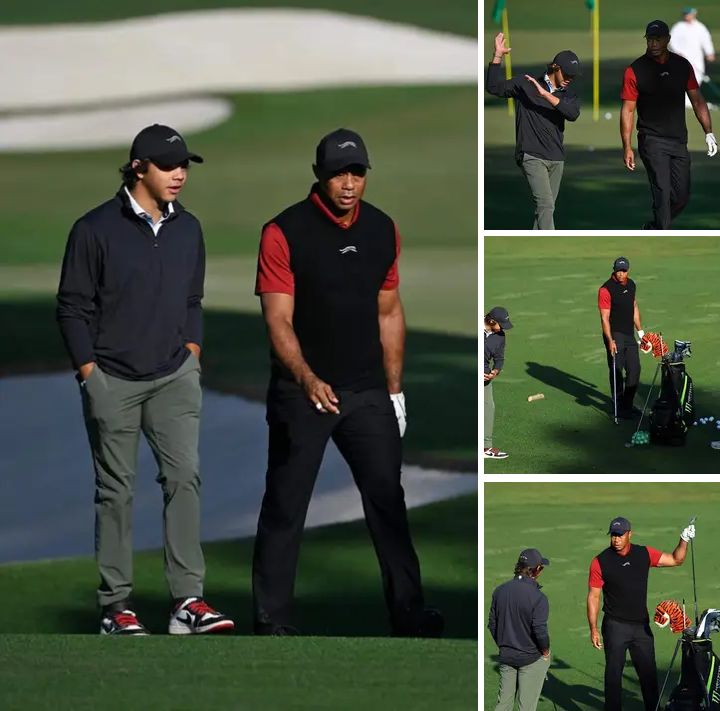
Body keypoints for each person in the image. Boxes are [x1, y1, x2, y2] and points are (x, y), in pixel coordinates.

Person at [251, 127, 443, 637]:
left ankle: (408, 614)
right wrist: (307, 378)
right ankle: (272, 619)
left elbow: (389, 311)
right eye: (339, 173)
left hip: (366, 392)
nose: (350, 183)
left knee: (388, 501)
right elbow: (278, 321)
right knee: (286, 504)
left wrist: (395, 391)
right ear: (319, 175)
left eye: (357, 172)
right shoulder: (283, 232)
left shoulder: (383, 229)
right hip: (302, 394)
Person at [56, 124, 234, 636]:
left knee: (184, 479)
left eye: (184, 166)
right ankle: (116, 607)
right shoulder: (94, 229)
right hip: (112, 377)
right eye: (167, 166)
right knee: (116, 491)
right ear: (138, 168)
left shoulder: (188, 228)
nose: (179, 175)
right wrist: (90, 375)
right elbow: (71, 308)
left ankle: (187, 601)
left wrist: (193, 354)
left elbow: (192, 301)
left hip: (175, 375)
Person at [587, 516, 695, 710]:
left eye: (620, 535)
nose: (616, 539)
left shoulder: (643, 553)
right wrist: (593, 628)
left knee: (649, 678)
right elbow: (594, 597)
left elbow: (675, 559)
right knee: (613, 679)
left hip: (641, 629)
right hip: (615, 627)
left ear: (630, 534)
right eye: (613, 535)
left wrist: (684, 539)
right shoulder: (600, 562)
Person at [621, 19, 717, 230]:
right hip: (651, 139)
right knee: (662, 192)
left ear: (667, 39)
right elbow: (627, 110)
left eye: (657, 39)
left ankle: (654, 228)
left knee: (681, 196)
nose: (653, 43)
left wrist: (708, 132)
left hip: (678, 141)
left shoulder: (682, 66)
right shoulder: (635, 70)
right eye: (649, 39)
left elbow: (697, 100)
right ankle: (661, 234)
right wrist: (627, 146)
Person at [486, 32, 582, 230]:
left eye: (573, 76)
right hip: (531, 155)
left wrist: (546, 95)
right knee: (545, 205)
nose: (569, 79)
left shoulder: (569, 94)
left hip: (556, 158)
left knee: (547, 210)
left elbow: (572, 114)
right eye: (567, 74)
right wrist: (497, 56)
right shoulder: (526, 83)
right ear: (555, 68)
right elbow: (493, 87)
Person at [489, 548, 551, 711]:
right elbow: (540, 631)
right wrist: (545, 650)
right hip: (531, 658)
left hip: (506, 655)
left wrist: (504, 645)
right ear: (536, 569)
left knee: (503, 705)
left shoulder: (499, 591)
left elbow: (492, 624)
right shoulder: (539, 598)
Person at [598, 257, 645, 421]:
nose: (621, 274)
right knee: (617, 371)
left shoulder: (631, 285)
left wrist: (641, 333)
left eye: (624, 271)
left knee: (634, 370)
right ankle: (618, 407)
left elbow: (634, 307)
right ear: (614, 270)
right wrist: (610, 340)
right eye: (619, 270)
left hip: (629, 334)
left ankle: (627, 404)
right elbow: (604, 318)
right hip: (615, 334)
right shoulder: (606, 289)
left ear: (628, 271)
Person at [669, 6, 715, 107]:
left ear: (694, 14)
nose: (686, 16)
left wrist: (709, 53)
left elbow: (706, 41)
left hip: (696, 59)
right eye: (685, 14)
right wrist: (677, 52)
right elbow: (672, 41)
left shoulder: (700, 27)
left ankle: (690, 102)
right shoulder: (678, 27)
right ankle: (684, 102)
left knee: (696, 79)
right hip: (681, 59)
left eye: (688, 14)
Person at [484, 306, 512, 459]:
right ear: (491, 321)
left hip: (485, 377)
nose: (502, 329)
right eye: (500, 325)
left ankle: (485, 448)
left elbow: (499, 358)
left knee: (488, 407)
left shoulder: (500, 336)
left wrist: (495, 371)